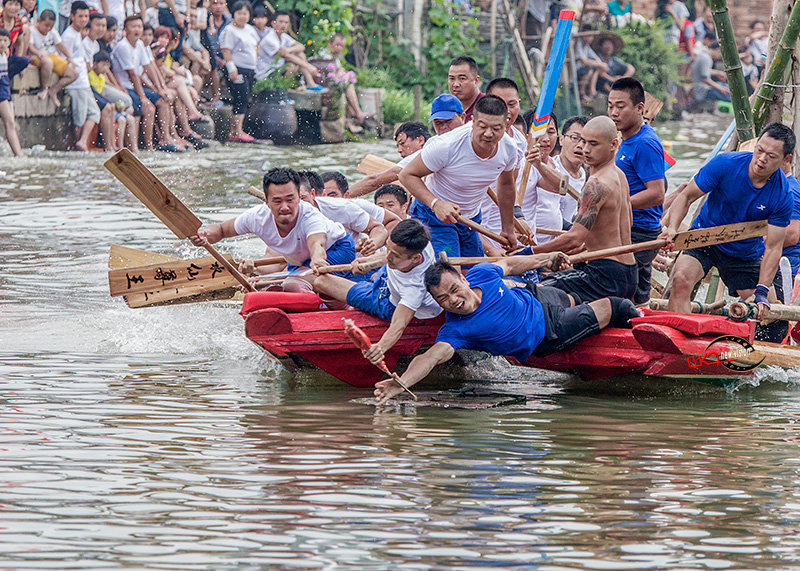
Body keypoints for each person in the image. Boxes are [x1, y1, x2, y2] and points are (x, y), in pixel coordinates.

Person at [373, 256, 640, 403]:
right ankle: (639, 322)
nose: (453, 300)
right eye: (444, 300)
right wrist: (401, 383)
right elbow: (430, 357)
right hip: (548, 331)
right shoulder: (456, 330)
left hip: (539, 298)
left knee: (573, 296)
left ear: (463, 280)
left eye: (454, 290)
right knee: (616, 305)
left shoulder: (482, 274)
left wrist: (547, 258)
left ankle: (605, 320)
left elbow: (510, 265)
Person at [660, 123, 794, 320]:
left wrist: (762, 291)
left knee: (769, 318)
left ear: (786, 159)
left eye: (771, 156)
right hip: (703, 239)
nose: (762, 159)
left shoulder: (783, 195)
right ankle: (681, 336)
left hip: (744, 253)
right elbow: (686, 197)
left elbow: (774, 248)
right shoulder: (725, 164)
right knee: (680, 281)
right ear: (756, 145)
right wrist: (672, 228)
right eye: (760, 150)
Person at [190, 167, 357, 293]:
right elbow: (220, 230)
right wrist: (204, 235)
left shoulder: (310, 215)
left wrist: (318, 259)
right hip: (298, 263)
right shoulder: (257, 217)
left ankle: (318, 308)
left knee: (293, 285)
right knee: (275, 284)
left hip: (337, 250)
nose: (285, 207)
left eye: (290, 199)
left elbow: (317, 245)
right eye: (277, 201)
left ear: (299, 197)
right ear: (266, 201)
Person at [400, 95, 522, 257]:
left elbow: (506, 185)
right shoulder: (446, 145)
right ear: (472, 122)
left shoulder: (509, 148)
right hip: (434, 217)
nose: (488, 134)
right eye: (482, 126)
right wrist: (437, 204)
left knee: (474, 273)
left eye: (496, 128)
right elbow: (406, 175)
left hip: (470, 220)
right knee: (450, 275)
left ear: (505, 125)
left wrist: (507, 228)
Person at [533, 116, 637, 302]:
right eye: (583, 141)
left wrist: (531, 253)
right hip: (630, 273)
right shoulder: (620, 176)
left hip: (604, 276)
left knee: (534, 290)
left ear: (614, 144)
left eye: (594, 144)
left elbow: (574, 238)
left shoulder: (596, 184)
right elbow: (610, 230)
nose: (585, 149)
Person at [314, 220, 442, 364]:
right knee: (378, 269)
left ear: (416, 258)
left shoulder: (414, 289)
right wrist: (367, 262)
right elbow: (389, 256)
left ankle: (353, 303)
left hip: (387, 301)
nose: (388, 256)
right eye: (388, 248)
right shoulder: (419, 240)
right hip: (390, 275)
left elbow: (398, 325)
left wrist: (379, 349)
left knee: (321, 282)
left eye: (395, 255)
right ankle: (372, 277)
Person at [608, 77, 665, 305]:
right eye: (610, 106)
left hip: (638, 230)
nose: (614, 112)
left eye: (620, 107)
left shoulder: (645, 143)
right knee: (638, 296)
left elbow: (657, 193)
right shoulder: (624, 139)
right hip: (626, 226)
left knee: (624, 295)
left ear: (640, 108)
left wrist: (617, 205)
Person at [112, 14, 171, 152]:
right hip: (126, 87)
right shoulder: (123, 46)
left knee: (163, 100)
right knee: (148, 108)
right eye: (133, 26)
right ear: (126, 29)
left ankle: (164, 138)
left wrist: (160, 88)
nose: (137, 29)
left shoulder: (139, 44)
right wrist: (143, 97)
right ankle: (143, 146)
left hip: (137, 86)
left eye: (139, 26)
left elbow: (149, 67)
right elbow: (132, 75)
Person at [62, 0, 115, 151]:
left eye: (86, 16)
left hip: (84, 83)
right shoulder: (69, 35)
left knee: (94, 113)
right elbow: (66, 59)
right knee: (79, 119)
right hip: (76, 83)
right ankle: (77, 147)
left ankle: (82, 142)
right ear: (72, 16)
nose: (84, 19)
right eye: (81, 16)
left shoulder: (78, 35)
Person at [525, 115, 588, 236]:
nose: (580, 145)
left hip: (561, 240)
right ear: (561, 140)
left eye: (586, 141)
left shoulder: (583, 174)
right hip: (535, 238)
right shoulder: (542, 169)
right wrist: (571, 229)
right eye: (575, 138)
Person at [297, 183, 389, 257]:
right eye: (291, 200)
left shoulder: (342, 207)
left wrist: (372, 244)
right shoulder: (286, 215)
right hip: (320, 263)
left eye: (302, 198)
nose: (300, 205)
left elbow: (378, 228)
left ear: (312, 194)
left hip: (359, 264)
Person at [347, 121, 430, 198]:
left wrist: (343, 196)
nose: (399, 150)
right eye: (397, 146)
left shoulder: (420, 155)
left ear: (420, 140)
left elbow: (374, 181)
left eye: (402, 143)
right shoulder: (434, 148)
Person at [219, 0, 258, 143]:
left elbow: (256, 46)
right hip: (237, 68)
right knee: (240, 98)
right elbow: (226, 51)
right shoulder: (229, 30)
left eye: (245, 13)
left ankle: (237, 130)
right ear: (233, 14)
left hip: (250, 69)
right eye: (239, 13)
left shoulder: (250, 29)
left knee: (246, 98)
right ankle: (236, 131)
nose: (242, 16)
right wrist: (231, 69)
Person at [255, 10, 319, 88]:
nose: (284, 25)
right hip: (267, 73)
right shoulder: (269, 38)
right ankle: (283, 91)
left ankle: (310, 83)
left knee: (299, 54)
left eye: (286, 22)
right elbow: (286, 56)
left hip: (279, 69)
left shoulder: (283, 36)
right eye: (281, 22)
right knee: (291, 66)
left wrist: (289, 50)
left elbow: (301, 47)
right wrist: (308, 66)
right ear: (273, 23)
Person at [28, 9, 78, 107]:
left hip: (53, 56)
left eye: (51, 26)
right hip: (37, 57)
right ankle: (44, 88)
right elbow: (30, 46)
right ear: (39, 21)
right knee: (48, 62)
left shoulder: (53, 32)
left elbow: (61, 46)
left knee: (74, 73)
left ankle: (53, 90)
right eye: (46, 25)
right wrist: (38, 53)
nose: (48, 28)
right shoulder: (32, 30)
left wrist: (69, 58)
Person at [89, 51, 136, 151]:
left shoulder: (101, 77)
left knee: (131, 119)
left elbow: (102, 95)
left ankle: (133, 149)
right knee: (121, 120)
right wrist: (114, 106)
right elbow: (97, 97)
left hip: (108, 106)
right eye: (103, 64)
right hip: (99, 107)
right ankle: (115, 146)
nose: (105, 68)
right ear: (95, 64)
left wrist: (118, 106)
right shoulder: (90, 75)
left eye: (107, 65)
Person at [318, 32, 368, 124]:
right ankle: (358, 113)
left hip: (330, 85)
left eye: (342, 46)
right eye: (337, 45)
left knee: (347, 83)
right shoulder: (324, 56)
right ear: (329, 44)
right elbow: (330, 76)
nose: (339, 48)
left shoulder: (334, 58)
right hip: (323, 85)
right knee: (348, 82)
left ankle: (355, 115)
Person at [199, 0, 229, 107]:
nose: (218, 7)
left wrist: (225, 58)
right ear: (209, 5)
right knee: (212, 64)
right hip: (210, 53)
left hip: (226, 55)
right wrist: (217, 58)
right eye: (215, 4)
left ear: (225, 5)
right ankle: (214, 96)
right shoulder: (204, 19)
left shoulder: (230, 21)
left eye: (221, 4)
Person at [0, 27, 22, 156]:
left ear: (9, 42)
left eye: (4, 40)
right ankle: (18, 154)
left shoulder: (5, 54)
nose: (2, 43)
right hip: (1, 91)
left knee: (11, 123)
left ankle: (17, 152)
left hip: (5, 89)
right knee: (9, 122)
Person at [690, 32, 730, 103]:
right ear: (717, 50)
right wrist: (720, 88)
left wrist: (718, 73)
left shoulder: (703, 55)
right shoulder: (706, 58)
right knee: (727, 91)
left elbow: (705, 70)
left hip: (703, 87)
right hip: (702, 90)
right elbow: (704, 79)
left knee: (726, 87)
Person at [447, 55, 483, 122]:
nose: (456, 84)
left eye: (462, 78)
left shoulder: (487, 107)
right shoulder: (447, 108)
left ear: (476, 80)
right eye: (452, 78)